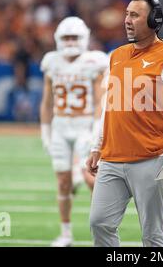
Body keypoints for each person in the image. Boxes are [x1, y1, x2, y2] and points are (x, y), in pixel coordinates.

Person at [86, 0, 163, 247]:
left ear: (154, 20)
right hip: (112, 156)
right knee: (99, 222)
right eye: (126, 14)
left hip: (153, 156)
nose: (127, 20)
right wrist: (96, 145)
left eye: (134, 15)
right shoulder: (117, 55)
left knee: (152, 234)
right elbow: (109, 105)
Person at [40, 16, 108, 247]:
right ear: (59, 39)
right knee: (63, 183)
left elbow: (101, 101)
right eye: (66, 37)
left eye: (74, 37)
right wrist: (45, 131)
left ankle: (100, 232)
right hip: (60, 126)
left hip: (84, 126)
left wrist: (96, 130)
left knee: (92, 179)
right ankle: (66, 234)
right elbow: (47, 101)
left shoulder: (94, 61)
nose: (70, 42)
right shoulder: (52, 61)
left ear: (84, 38)